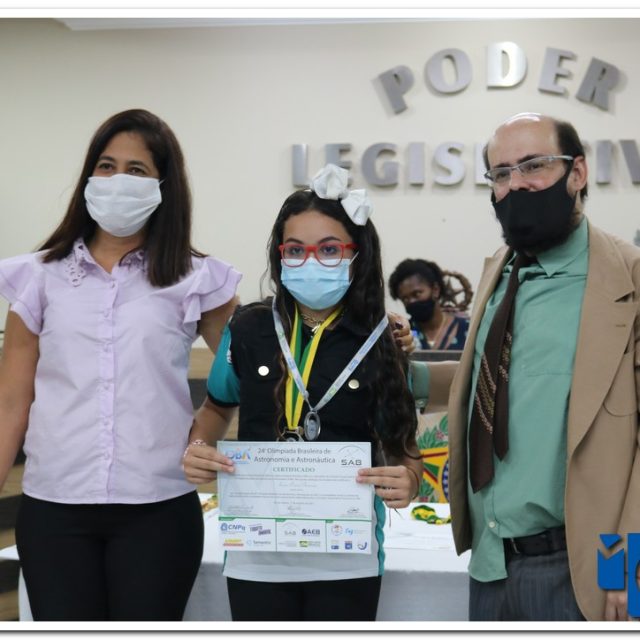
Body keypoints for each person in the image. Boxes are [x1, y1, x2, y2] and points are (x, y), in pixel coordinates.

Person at [0, 108, 241, 621]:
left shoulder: (198, 279)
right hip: (55, 506)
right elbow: (10, 404)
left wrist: (201, 440)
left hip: (158, 508)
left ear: (162, 186)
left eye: (136, 170)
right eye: (106, 166)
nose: (117, 181)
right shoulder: (38, 277)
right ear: (89, 176)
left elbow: (249, 379)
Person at [182, 164, 422, 622]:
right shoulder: (248, 328)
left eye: (329, 249)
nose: (310, 261)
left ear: (358, 255)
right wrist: (196, 447)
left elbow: (403, 444)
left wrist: (408, 478)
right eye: (295, 250)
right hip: (256, 552)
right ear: (280, 256)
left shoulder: (382, 337)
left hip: (349, 555)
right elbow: (216, 406)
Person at [440, 112, 640, 621]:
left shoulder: (629, 278)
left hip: (585, 570)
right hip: (489, 566)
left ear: (577, 172)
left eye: (534, 166)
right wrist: (400, 373)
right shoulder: (500, 272)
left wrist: (629, 568)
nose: (516, 185)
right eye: (501, 173)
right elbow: (497, 378)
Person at [389, 258, 472, 351]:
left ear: (435, 290)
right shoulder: (403, 334)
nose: (411, 301)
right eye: (405, 299)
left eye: (417, 294)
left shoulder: (469, 328)